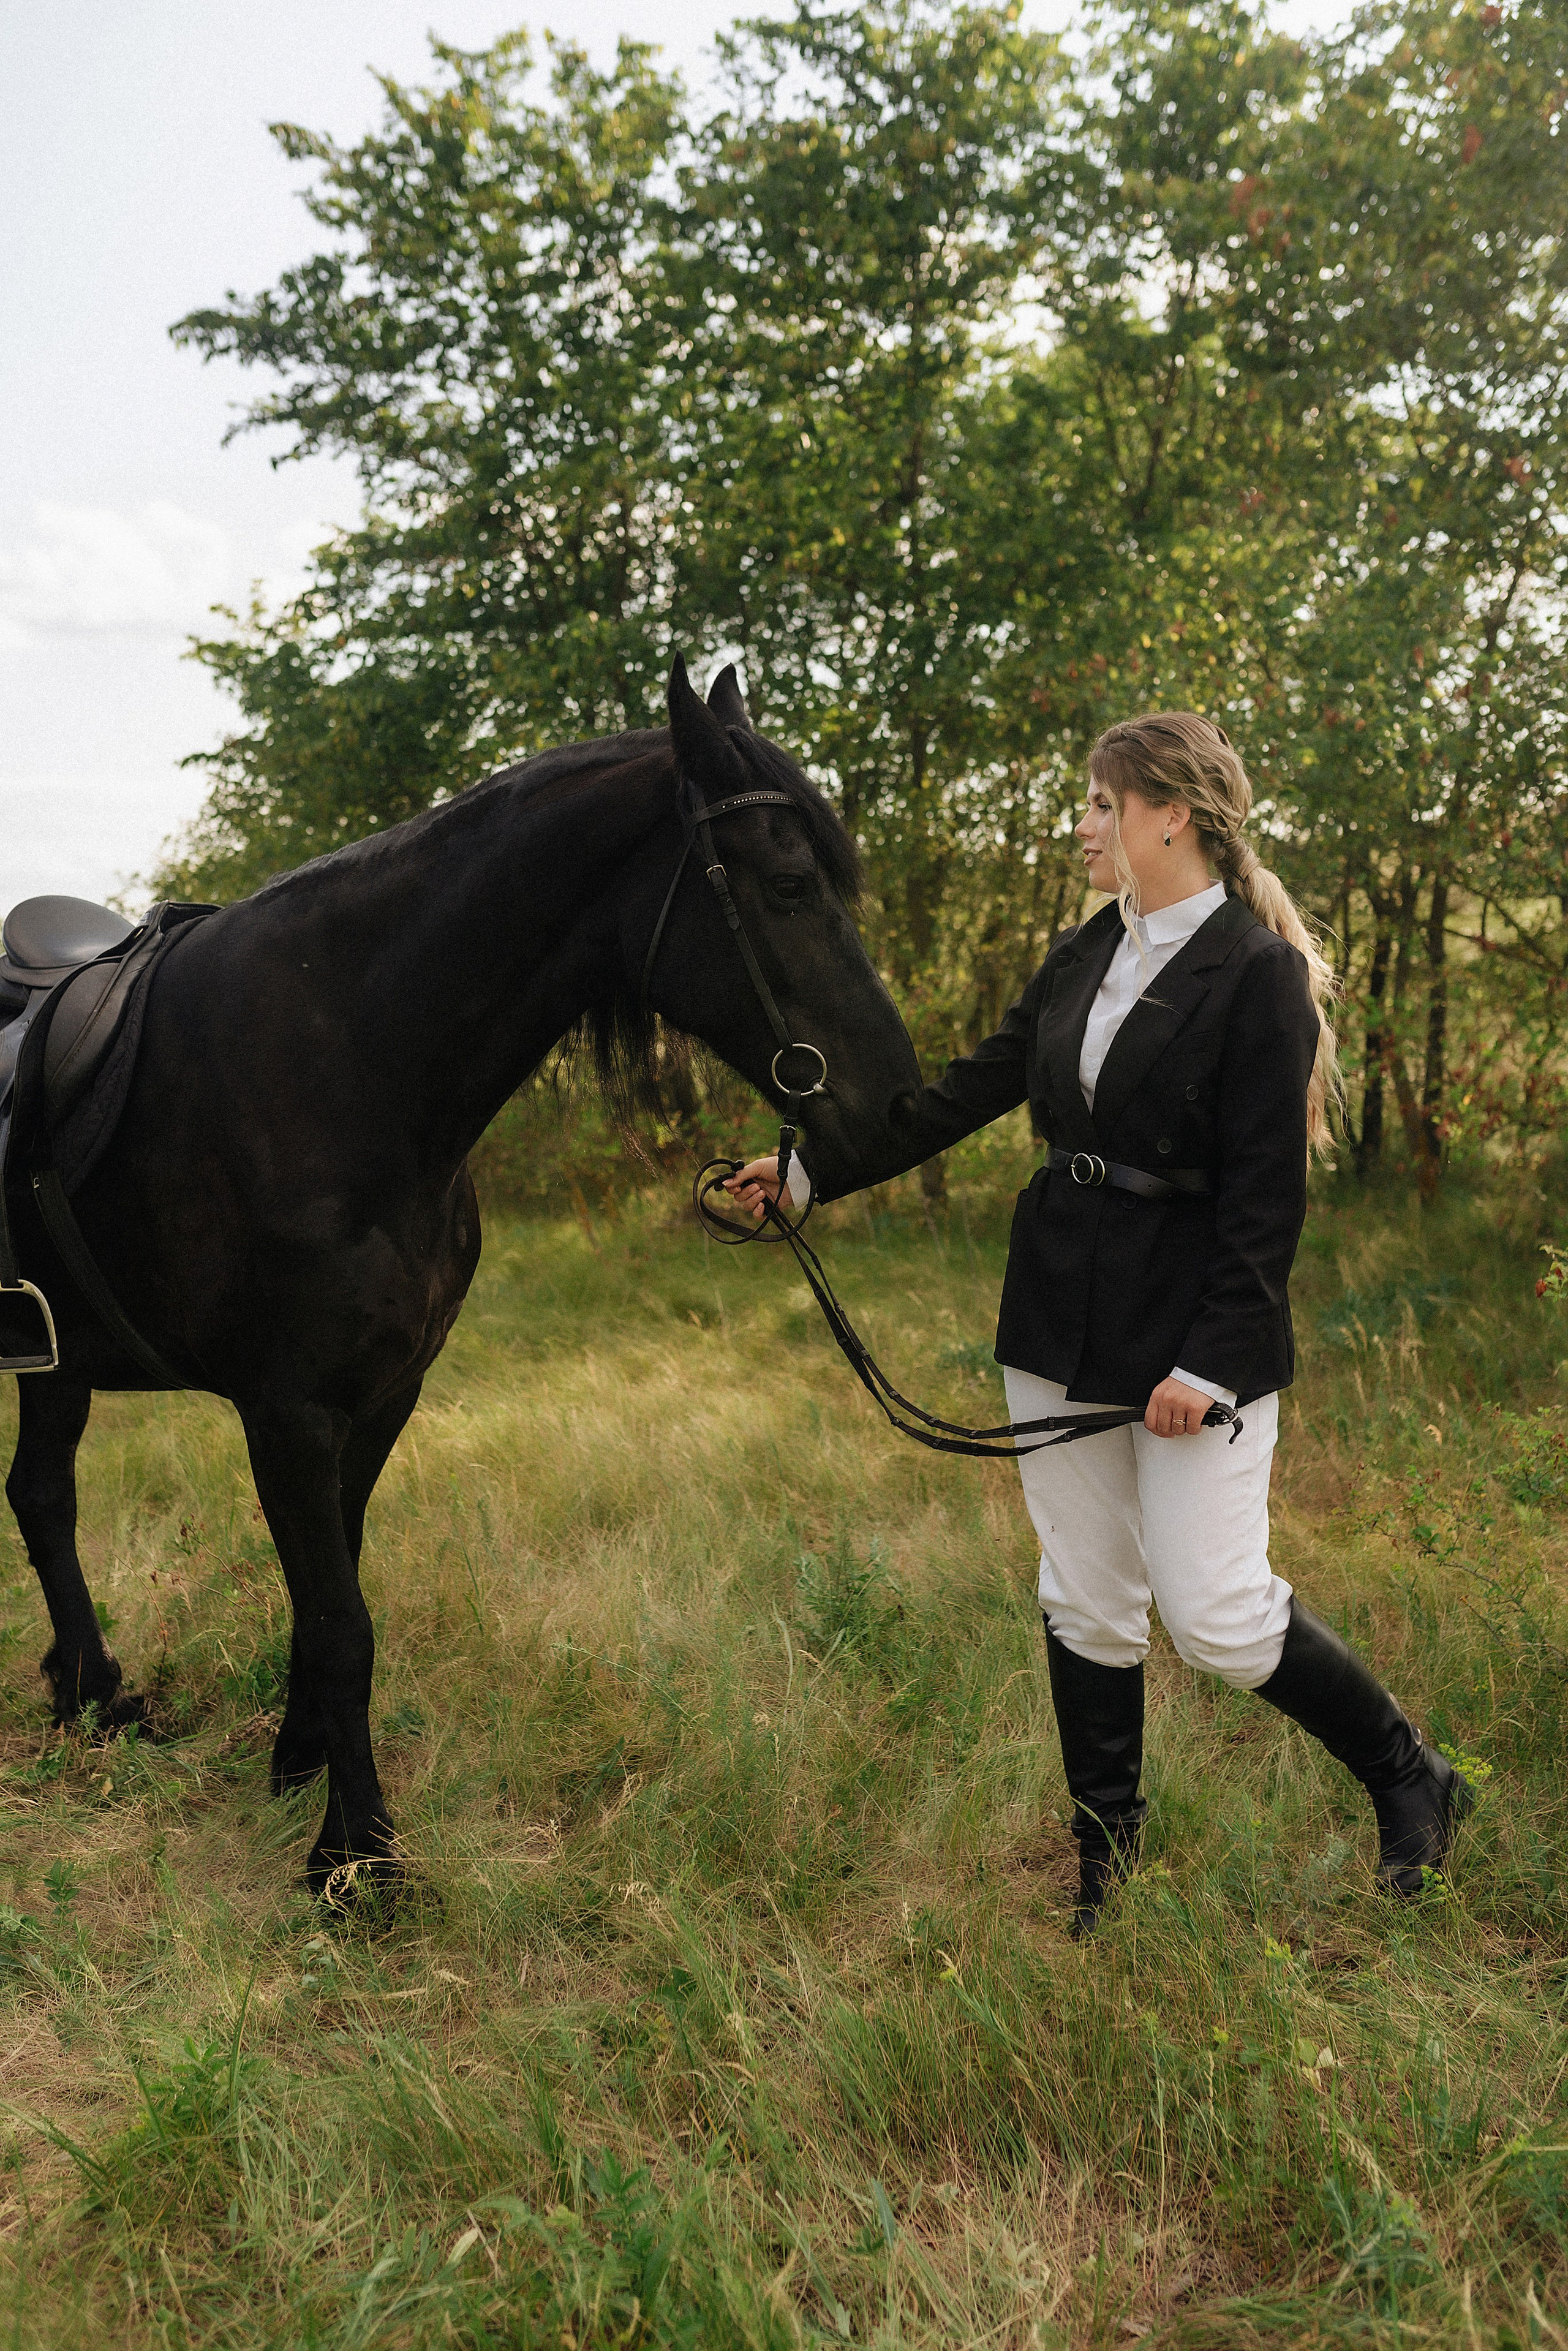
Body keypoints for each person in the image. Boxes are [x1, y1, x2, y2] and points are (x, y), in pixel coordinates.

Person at [726, 712, 1469, 1934]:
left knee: (1217, 1612)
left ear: (1165, 814)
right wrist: (805, 1173)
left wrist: (1209, 1360)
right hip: (1058, 1314)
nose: (1081, 824)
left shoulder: (1255, 974)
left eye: (1098, 803)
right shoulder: (1083, 954)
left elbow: (1261, 1206)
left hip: (1189, 1341)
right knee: (1084, 1594)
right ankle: (1105, 1865)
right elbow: (956, 1093)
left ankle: (1407, 1774)